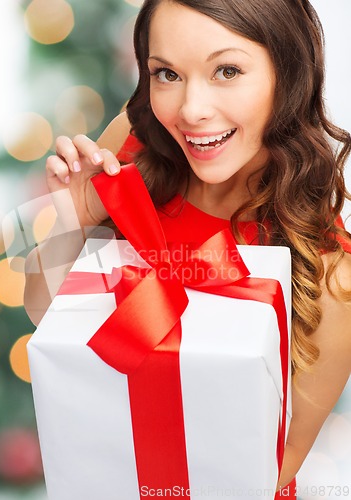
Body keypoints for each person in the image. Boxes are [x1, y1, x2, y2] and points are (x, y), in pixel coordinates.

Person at [24, 0, 351, 496]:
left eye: (227, 70)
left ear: (289, 74)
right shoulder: (132, 149)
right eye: (167, 74)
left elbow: (269, 471)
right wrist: (74, 218)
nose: (192, 111)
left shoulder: (331, 275)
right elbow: (41, 311)